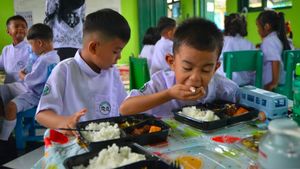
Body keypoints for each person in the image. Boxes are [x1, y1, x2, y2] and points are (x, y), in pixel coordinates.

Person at [36, 9, 130, 136]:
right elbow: (42, 114)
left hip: (107, 144)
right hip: (74, 142)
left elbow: (123, 108)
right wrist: (65, 122)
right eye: (116, 51)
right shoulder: (65, 70)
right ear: (94, 47)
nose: (119, 57)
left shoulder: (112, 73)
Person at [120, 18, 239, 118]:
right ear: (172, 62)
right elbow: (125, 109)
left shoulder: (224, 89)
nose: (195, 78)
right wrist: (168, 94)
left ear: (215, 68)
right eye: (187, 68)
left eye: (205, 70)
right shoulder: (161, 83)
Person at [0, 23, 60, 142]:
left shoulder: (45, 60)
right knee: (5, 92)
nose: (31, 49)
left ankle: (4, 139)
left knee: (10, 107)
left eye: (31, 45)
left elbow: (31, 81)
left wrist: (22, 75)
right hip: (40, 92)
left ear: (39, 43)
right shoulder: (53, 57)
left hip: (37, 96)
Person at [256, 10, 292, 91]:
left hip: (275, 84)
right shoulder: (282, 39)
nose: (257, 30)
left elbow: (276, 60)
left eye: (258, 26)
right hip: (286, 81)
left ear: (267, 26)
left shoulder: (269, 41)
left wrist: (274, 83)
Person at [217, 13, 256, 86]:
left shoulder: (222, 42)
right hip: (245, 83)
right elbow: (253, 70)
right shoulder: (250, 44)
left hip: (225, 83)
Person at [0, 15, 30, 84]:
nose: (20, 29)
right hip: (8, 87)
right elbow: (1, 67)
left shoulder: (31, 48)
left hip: (25, 89)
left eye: (23, 27)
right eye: (16, 26)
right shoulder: (6, 49)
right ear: (8, 31)